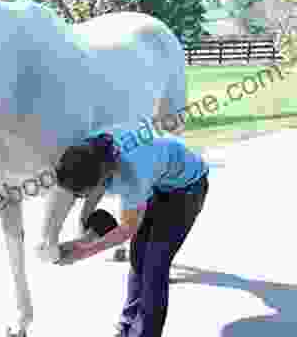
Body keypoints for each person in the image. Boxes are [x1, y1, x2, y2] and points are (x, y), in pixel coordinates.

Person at [50, 130, 209, 337]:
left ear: (103, 176)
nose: (81, 197)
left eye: (82, 193)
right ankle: (127, 326)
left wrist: (84, 251)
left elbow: (126, 229)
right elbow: (93, 191)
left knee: (154, 266)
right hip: (158, 183)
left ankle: (145, 333)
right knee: (137, 257)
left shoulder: (131, 176)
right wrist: (84, 232)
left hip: (188, 189)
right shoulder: (92, 151)